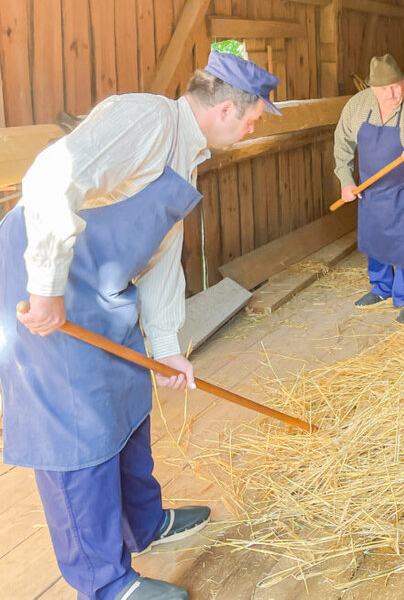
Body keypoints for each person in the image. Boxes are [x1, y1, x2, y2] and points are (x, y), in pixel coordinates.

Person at [0, 41, 280, 600]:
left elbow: (160, 256)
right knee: (76, 428)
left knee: (127, 399)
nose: (253, 128)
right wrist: (46, 287)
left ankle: (142, 525)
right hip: (41, 288)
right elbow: (50, 178)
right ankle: (104, 581)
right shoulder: (147, 118)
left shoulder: (188, 153)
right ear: (227, 108)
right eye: (252, 118)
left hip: (100, 290)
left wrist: (168, 344)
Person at [334, 54, 404, 322]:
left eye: (397, 86)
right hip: (371, 187)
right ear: (372, 87)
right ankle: (382, 288)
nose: (393, 94)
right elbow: (343, 144)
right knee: (375, 237)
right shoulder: (357, 106)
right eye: (385, 89)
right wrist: (346, 181)